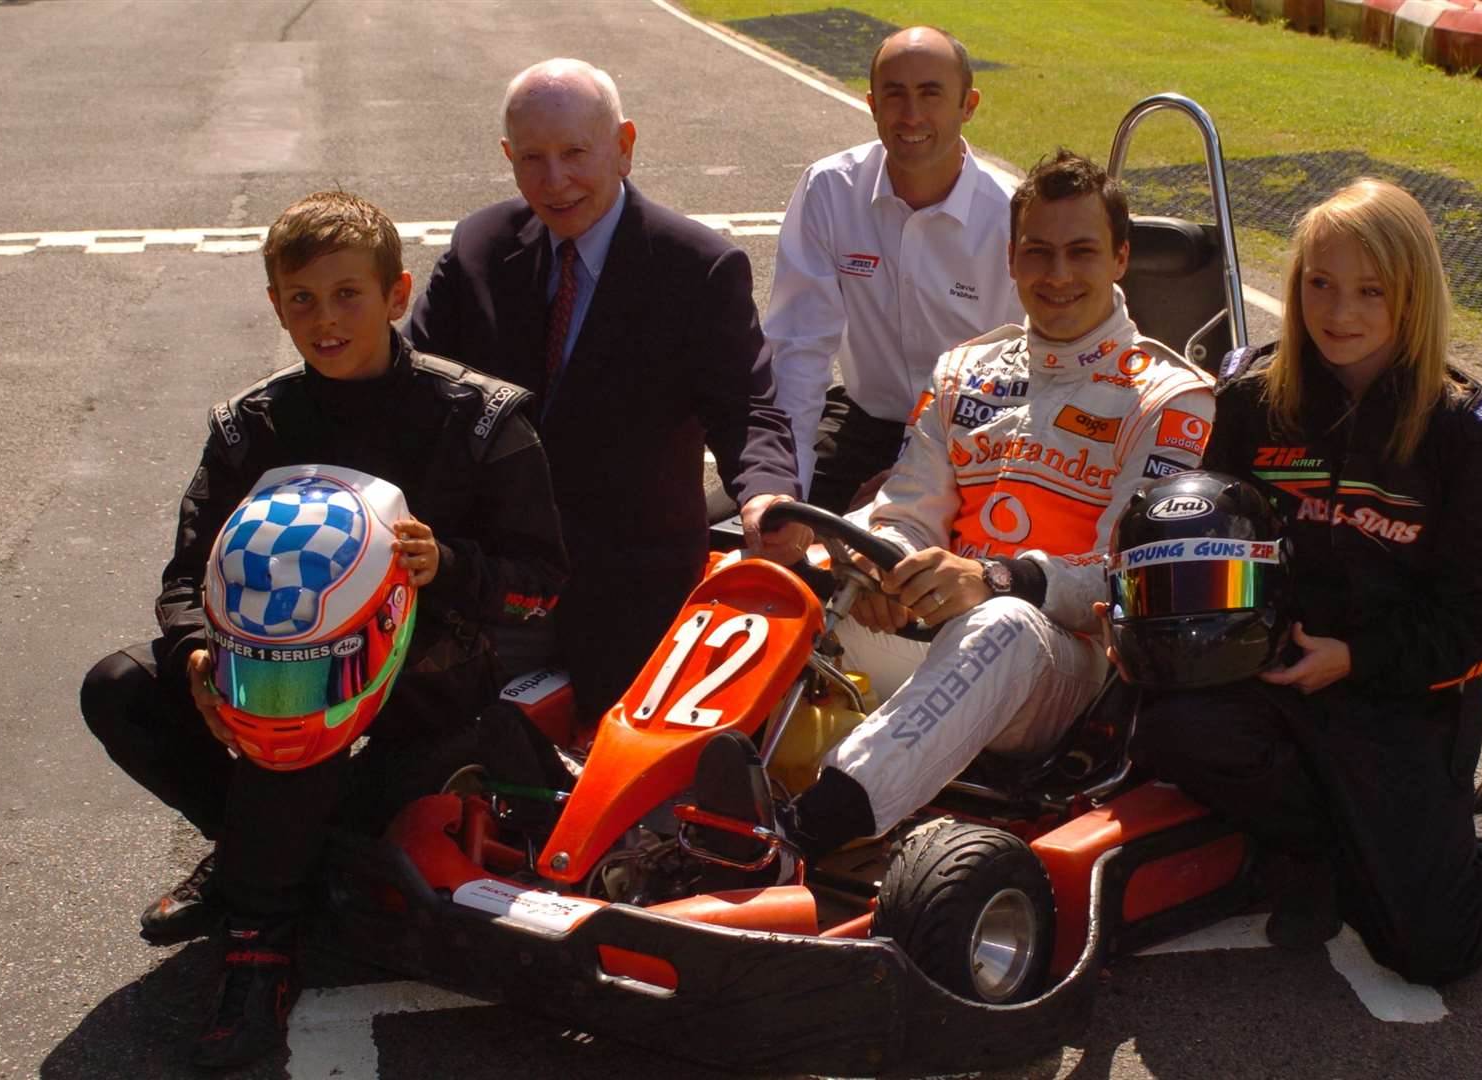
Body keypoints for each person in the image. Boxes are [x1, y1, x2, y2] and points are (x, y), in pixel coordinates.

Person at [79, 191, 570, 1068]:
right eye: (301, 299)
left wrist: (447, 566)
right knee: (117, 686)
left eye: (347, 294)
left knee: (307, 711)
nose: (324, 319)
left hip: (427, 688)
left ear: (396, 294)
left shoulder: (481, 418)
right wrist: (196, 651)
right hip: (263, 673)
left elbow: (541, 590)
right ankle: (251, 854)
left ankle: (259, 938)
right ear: (275, 305)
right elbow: (185, 577)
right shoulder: (250, 424)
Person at [699, 150, 1216, 862]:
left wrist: (996, 581)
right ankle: (664, 785)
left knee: (1002, 623)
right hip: (929, 627)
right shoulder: (965, 369)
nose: (1056, 275)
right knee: (769, 579)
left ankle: (806, 830)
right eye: (1037, 252)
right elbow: (906, 509)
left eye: (1080, 252)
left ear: (1120, 258)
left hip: (1061, 670)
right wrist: (880, 566)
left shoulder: (1169, 397)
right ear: (1009, 260)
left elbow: (1128, 580)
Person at [1125, 178, 1482, 983]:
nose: (1338, 311)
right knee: (1170, 728)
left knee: (1431, 951)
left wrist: (1356, 657)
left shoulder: (1472, 426)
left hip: (1398, 696)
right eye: (1319, 283)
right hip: (1268, 676)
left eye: (1369, 291)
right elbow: (1207, 537)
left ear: (1412, 295)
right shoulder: (1249, 395)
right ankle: (1319, 848)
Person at [407, 58, 807, 719]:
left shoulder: (699, 267)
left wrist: (766, 491)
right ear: (508, 156)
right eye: (531, 158)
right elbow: (414, 388)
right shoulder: (478, 247)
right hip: (493, 582)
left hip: (631, 592)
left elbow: (747, 408)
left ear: (623, 146)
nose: (555, 180)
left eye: (574, 153)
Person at [765, 25, 1023, 514]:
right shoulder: (829, 189)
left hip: (976, 440)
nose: (911, 115)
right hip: (863, 422)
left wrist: (926, 470)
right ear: (871, 104)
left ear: (968, 105)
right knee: (732, 529)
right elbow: (799, 349)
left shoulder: (1011, 213)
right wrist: (785, 492)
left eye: (931, 94)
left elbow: (1027, 376)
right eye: (895, 94)